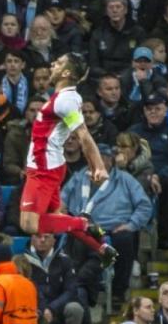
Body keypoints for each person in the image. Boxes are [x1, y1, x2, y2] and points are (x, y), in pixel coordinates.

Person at [18, 53, 117, 268]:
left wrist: (98, 166)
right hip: (50, 165)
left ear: (66, 73)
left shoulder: (65, 101)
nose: (53, 64)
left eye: (59, 62)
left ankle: (83, 223)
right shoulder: (68, 97)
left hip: (43, 168)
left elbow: (83, 134)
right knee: (56, 219)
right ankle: (101, 248)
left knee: (29, 224)